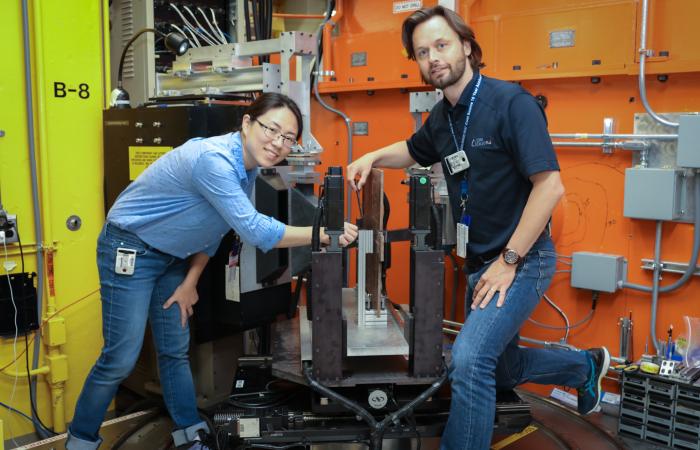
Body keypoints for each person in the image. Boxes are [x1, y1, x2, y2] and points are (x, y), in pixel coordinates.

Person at [346, 6, 610, 450]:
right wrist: (371, 157)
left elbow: (550, 188)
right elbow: (412, 150)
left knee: (468, 361)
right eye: (422, 51)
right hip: (482, 261)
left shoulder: (512, 104)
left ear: (467, 46)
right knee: (500, 369)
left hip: (521, 259)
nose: (433, 57)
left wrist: (509, 261)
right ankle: (582, 368)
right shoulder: (443, 117)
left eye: (442, 45)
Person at [66, 93, 358, 450]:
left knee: (174, 348)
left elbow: (215, 227)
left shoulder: (247, 168)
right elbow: (253, 230)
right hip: (130, 248)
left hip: (173, 256)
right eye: (272, 129)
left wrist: (190, 282)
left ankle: (190, 436)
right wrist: (323, 235)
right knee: (121, 356)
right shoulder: (214, 161)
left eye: (288, 138)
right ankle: (80, 440)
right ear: (248, 123)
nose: (279, 142)